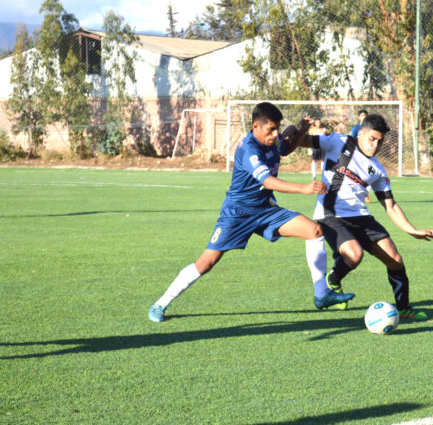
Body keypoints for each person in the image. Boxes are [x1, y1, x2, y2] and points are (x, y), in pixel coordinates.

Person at [148, 102, 354, 322]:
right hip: (238, 213)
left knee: (313, 231)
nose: (275, 135)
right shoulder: (249, 149)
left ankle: (321, 295)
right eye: (270, 130)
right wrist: (303, 188)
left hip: (265, 209)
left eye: (277, 129)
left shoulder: (270, 141)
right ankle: (161, 304)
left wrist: (301, 130)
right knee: (206, 262)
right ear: (256, 126)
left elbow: (284, 149)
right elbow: (268, 180)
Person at [295, 113, 433, 321]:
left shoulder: (378, 170)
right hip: (330, 215)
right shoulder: (338, 142)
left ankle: (404, 308)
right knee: (354, 254)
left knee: (395, 260)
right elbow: (303, 141)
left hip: (361, 217)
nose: (375, 145)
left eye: (380, 141)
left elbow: (391, 206)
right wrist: (301, 129)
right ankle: (333, 279)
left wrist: (411, 230)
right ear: (361, 133)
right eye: (372, 139)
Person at [350, 109, 372, 203]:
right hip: (357, 154)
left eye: (365, 116)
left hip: (367, 154)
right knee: (357, 174)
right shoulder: (355, 128)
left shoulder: (371, 128)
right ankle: (358, 194)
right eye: (362, 115)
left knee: (370, 174)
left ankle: (366, 194)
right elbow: (352, 140)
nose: (364, 117)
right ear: (359, 117)